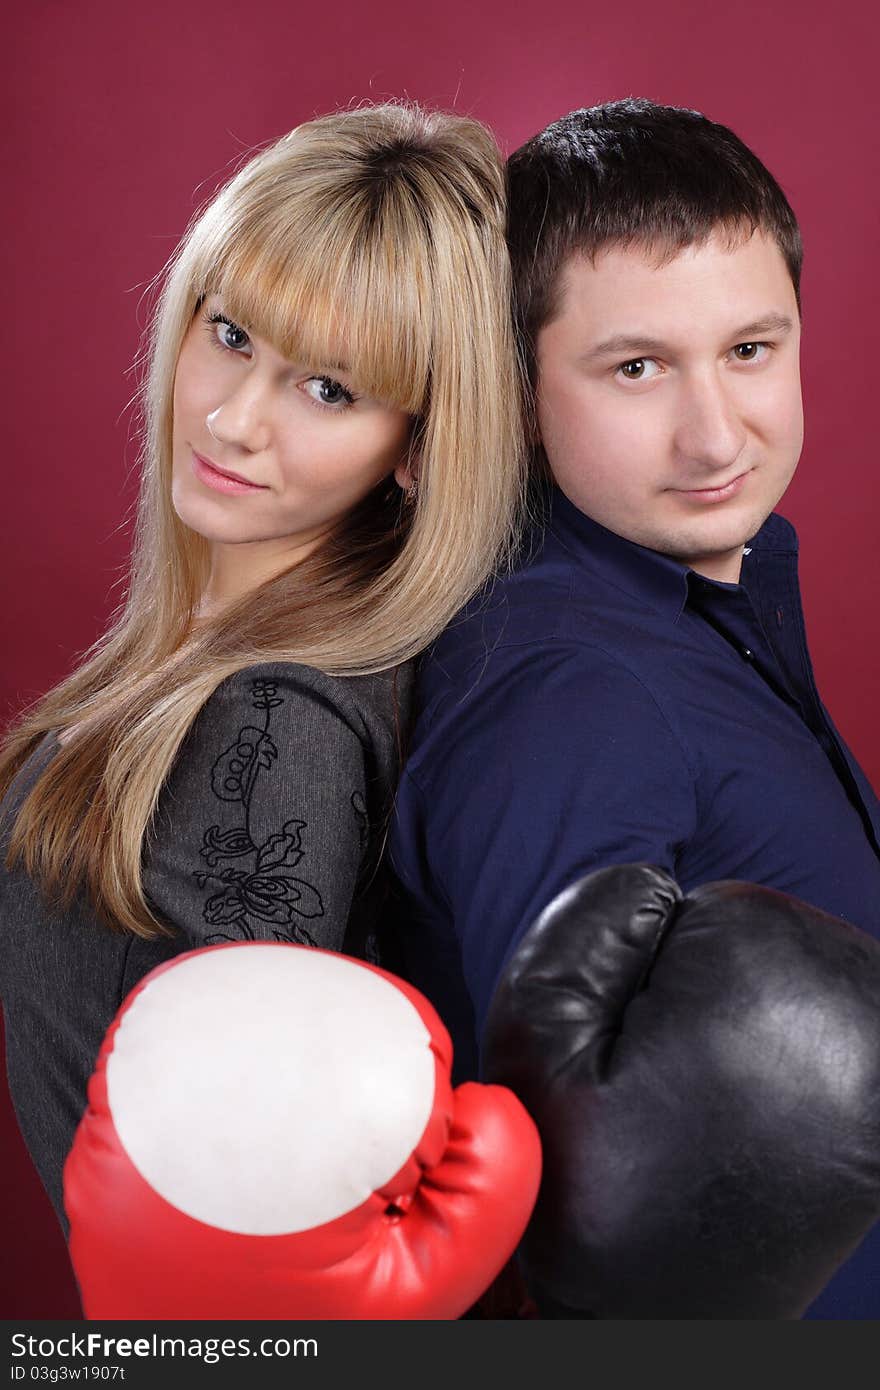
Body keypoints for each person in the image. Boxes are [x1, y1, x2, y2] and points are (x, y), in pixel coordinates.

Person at [388, 98, 880, 1317]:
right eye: (636, 367)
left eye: (751, 351)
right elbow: (576, 1236)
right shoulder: (571, 693)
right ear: (518, 388)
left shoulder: (697, 610)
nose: (717, 434)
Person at [0, 100, 528, 1237]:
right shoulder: (229, 659)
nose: (235, 420)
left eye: (328, 388)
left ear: (416, 449)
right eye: (232, 334)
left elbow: (235, 1225)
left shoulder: (278, 718)